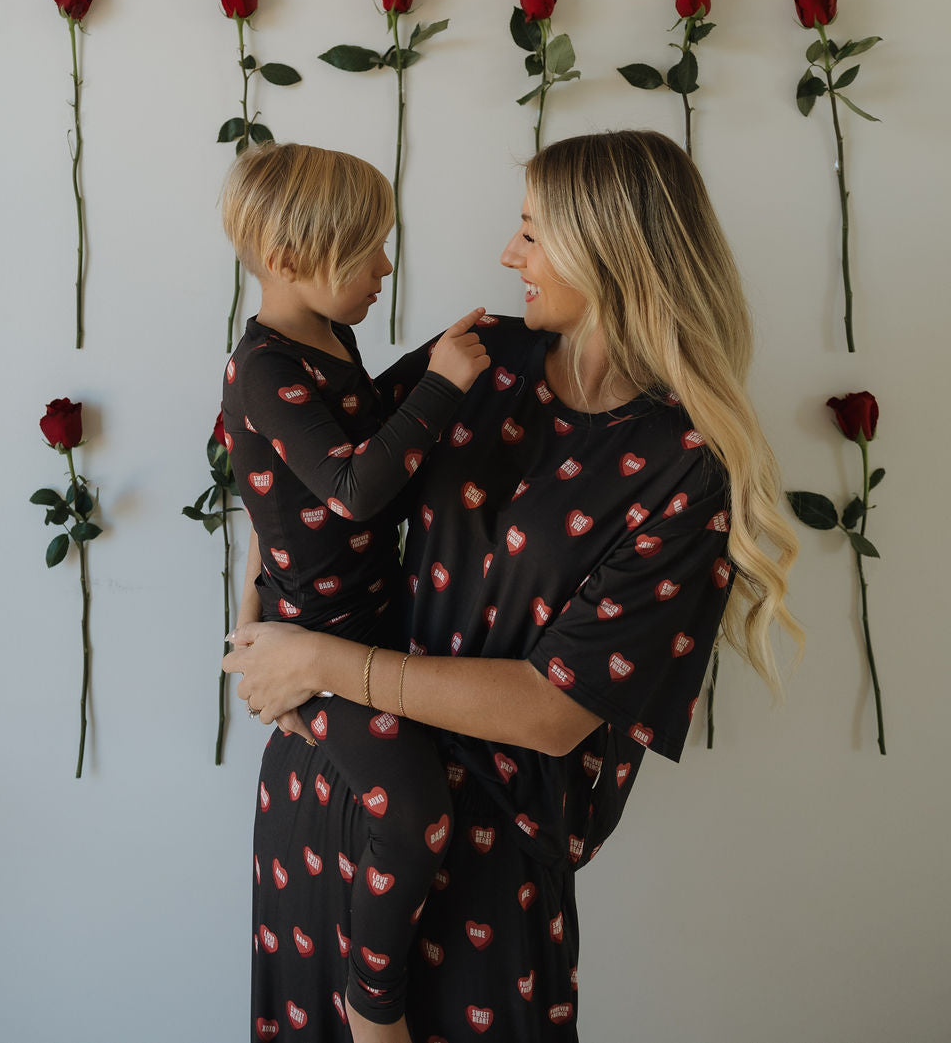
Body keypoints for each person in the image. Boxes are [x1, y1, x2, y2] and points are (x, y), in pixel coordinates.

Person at [224, 130, 802, 1042]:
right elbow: (324, 473)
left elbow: (555, 711)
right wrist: (259, 600)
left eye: (531, 230)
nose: (506, 253)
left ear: (605, 248)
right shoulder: (481, 356)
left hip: (487, 853)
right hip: (326, 782)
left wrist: (321, 658)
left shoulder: (682, 467)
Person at [220, 142, 491, 1042]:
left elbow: (367, 415)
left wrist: (442, 356)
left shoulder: (326, 334)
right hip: (320, 641)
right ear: (294, 262)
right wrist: (444, 381)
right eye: (368, 251)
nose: (385, 267)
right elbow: (353, 485)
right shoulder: (262, 366)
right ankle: (371, 1005)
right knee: (413, 815)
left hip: (375, 623)